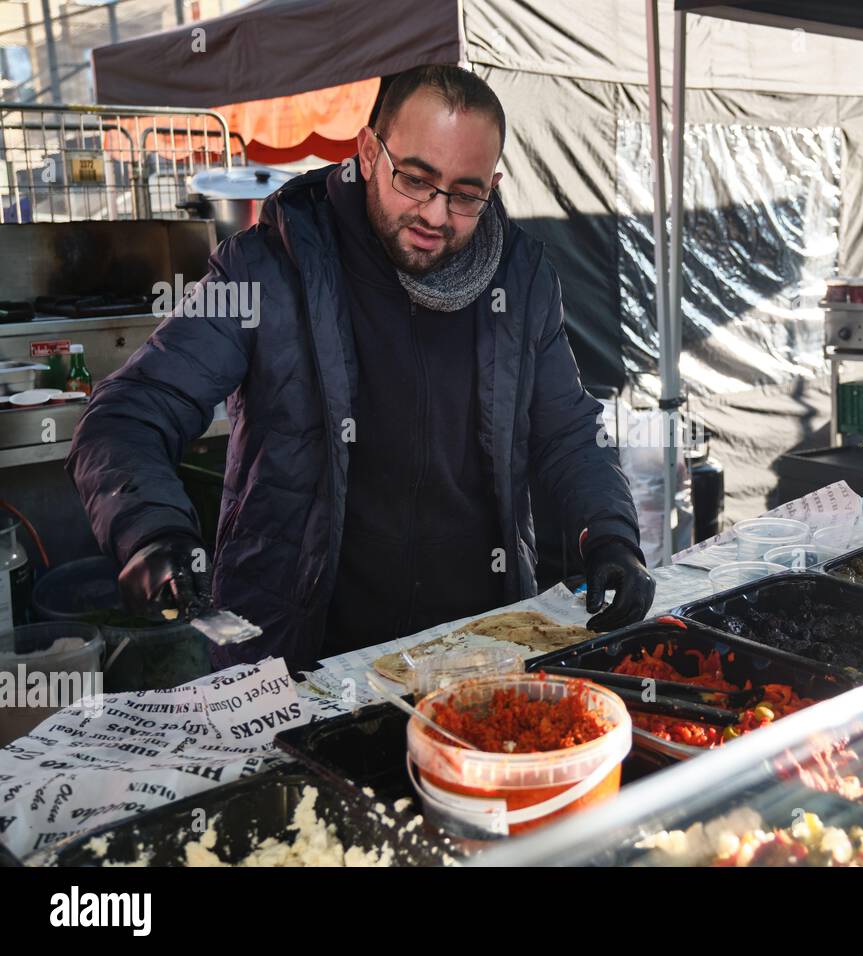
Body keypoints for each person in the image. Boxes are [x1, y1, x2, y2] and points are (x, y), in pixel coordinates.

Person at [67, 65, 655, 670]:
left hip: (478, 647)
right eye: (416, 179)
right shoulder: (268, 266)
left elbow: (567, 432)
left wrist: (610, 533)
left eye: (465, 194)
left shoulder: (522, 278)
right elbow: (129, 413)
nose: (435, 214)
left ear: (493, 186)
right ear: (368, 152)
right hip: (298, 655)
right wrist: (152, 531)